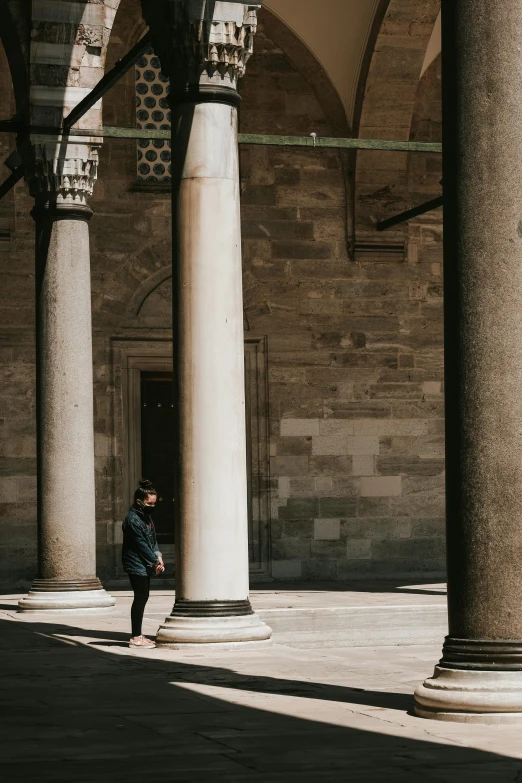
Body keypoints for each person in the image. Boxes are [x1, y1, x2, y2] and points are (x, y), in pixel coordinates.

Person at [122, 479, 165, 648]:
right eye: (149, 503)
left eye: (154, 503)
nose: (152, 507)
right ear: (139, 502)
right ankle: (135, 637)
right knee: (140, 598)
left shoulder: (146, 517)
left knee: (143, 596)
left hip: (145, 562)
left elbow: (152, 540)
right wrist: (155, 561)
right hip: (135, 563)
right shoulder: (132, 519)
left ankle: (138, 635)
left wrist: (158, 556)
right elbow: (140, 544)